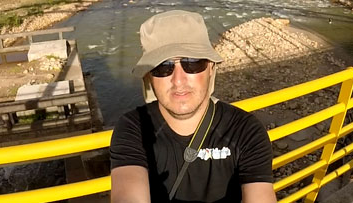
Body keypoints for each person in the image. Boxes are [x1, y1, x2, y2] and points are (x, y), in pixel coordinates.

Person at [110, 10, 276, 203]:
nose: (178, 80)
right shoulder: (134, 129)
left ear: (211, 69)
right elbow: (128, 193)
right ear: (149, 77)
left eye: (193, 63)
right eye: (163, 67)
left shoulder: (246, 131)